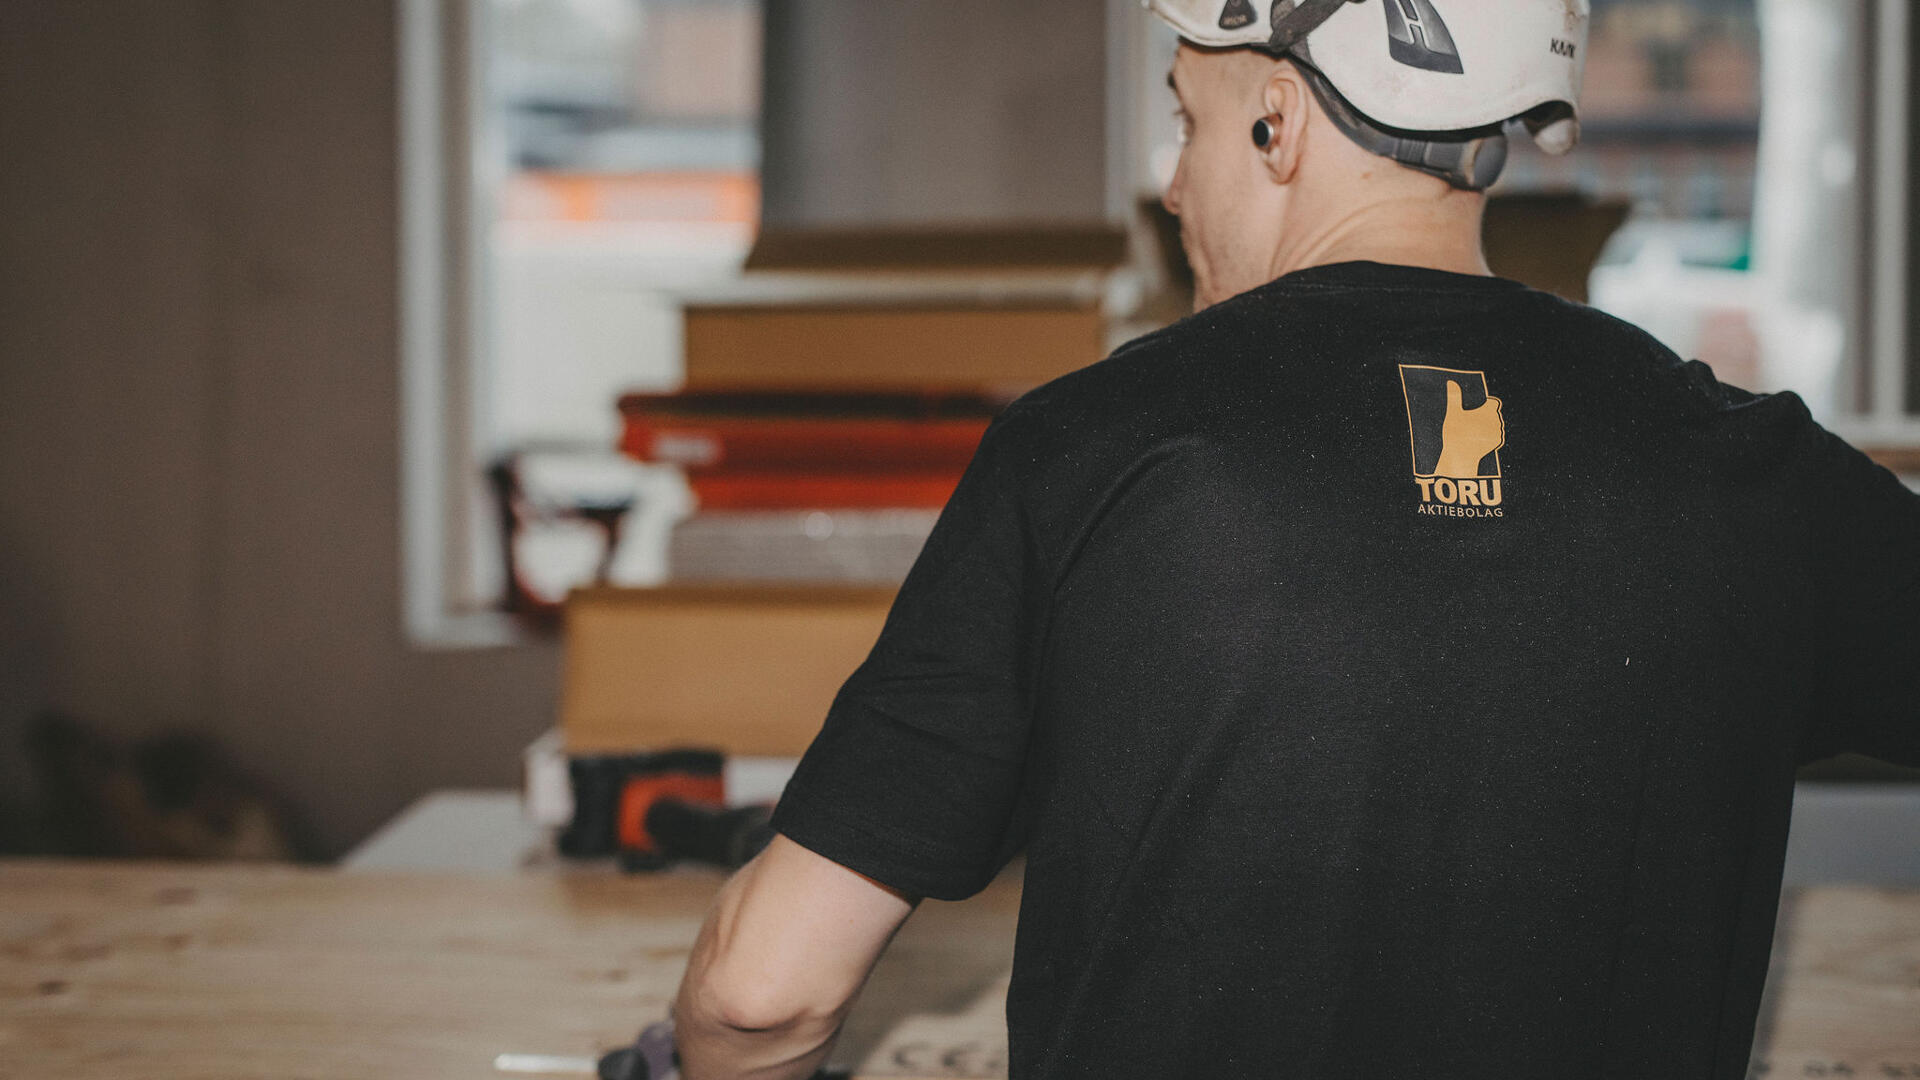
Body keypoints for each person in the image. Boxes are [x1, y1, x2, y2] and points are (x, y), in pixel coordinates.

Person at [663, 1, 1920, 1077]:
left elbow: (761, 993)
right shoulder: (1745, 467)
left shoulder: (1091, 447)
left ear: (1280, 121)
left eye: (1188, 121)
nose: (1172, 184)